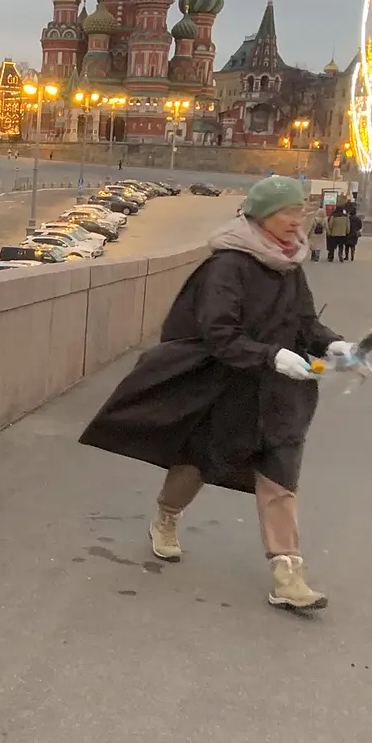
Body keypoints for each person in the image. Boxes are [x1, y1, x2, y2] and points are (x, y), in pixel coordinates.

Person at [78, 175, 350, 611]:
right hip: (227, 387)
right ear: (262, 215)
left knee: (280, 474)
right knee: (199, 462)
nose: (298, 220)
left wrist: (332, 344)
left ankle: (288, 574)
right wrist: (271, 355)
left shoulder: (290, 265)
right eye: (289, 211)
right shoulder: (227, 267)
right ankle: (167, 517)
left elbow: (305, 323)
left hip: (277, 394)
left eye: (300, 210)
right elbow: (220, 334)